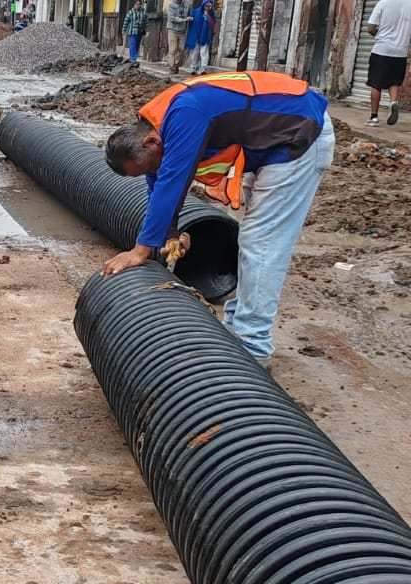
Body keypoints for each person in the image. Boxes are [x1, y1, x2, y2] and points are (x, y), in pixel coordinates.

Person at [101, 71, 336, 370]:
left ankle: (253, 346)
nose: (151, 171)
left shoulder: (185, 114)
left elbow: (173, 180)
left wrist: (140, 250)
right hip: (272, 141)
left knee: (262, 243)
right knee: (252, 240)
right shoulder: (156, 128)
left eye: (148, 166)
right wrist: (169, 232)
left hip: (299, 136)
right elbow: (159, 182)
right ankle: (237, 329)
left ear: (150, 142)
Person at [364, 0, 411, 126]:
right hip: (401, 52)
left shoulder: (383, 3)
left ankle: (374, 117)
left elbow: (370, 28)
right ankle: (393, 102)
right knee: (394, 82)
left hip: (382, 49)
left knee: (376, 83)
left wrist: (380, 35)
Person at [184, 0, 215, 75]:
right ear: (203, 5)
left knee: (204, 53)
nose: (207, 7)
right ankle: (193, 68)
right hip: (196, 36)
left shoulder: (211, 14)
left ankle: (203, 69)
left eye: (209, 6)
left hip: (205, 36)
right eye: (206, 6)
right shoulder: (196, 12)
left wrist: (208, 16)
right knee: (195, 53)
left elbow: (212, 24)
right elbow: (190, 22)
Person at [165, 0, 191, 74]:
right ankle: (172, 67)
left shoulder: (187, 4)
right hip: (172, 30)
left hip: (182, 30)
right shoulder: (171, 5)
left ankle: (176, 65)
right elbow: (172, 18)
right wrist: (185, 20)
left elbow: (189, 14)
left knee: (181, 49)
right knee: (173, 49)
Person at [122, 0, 147, 66]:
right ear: (134, 5)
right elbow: (125, 22)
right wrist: (123, 31)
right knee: (132, 45)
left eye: (139, 4)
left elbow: (145, 21)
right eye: (136, 4)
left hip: (139, 32)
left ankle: (134, 59)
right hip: (132, 31)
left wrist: (146, 30)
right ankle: (133, 59)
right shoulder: (130, 12)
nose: (138, 6)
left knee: (136, 46)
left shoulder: (143, 12)